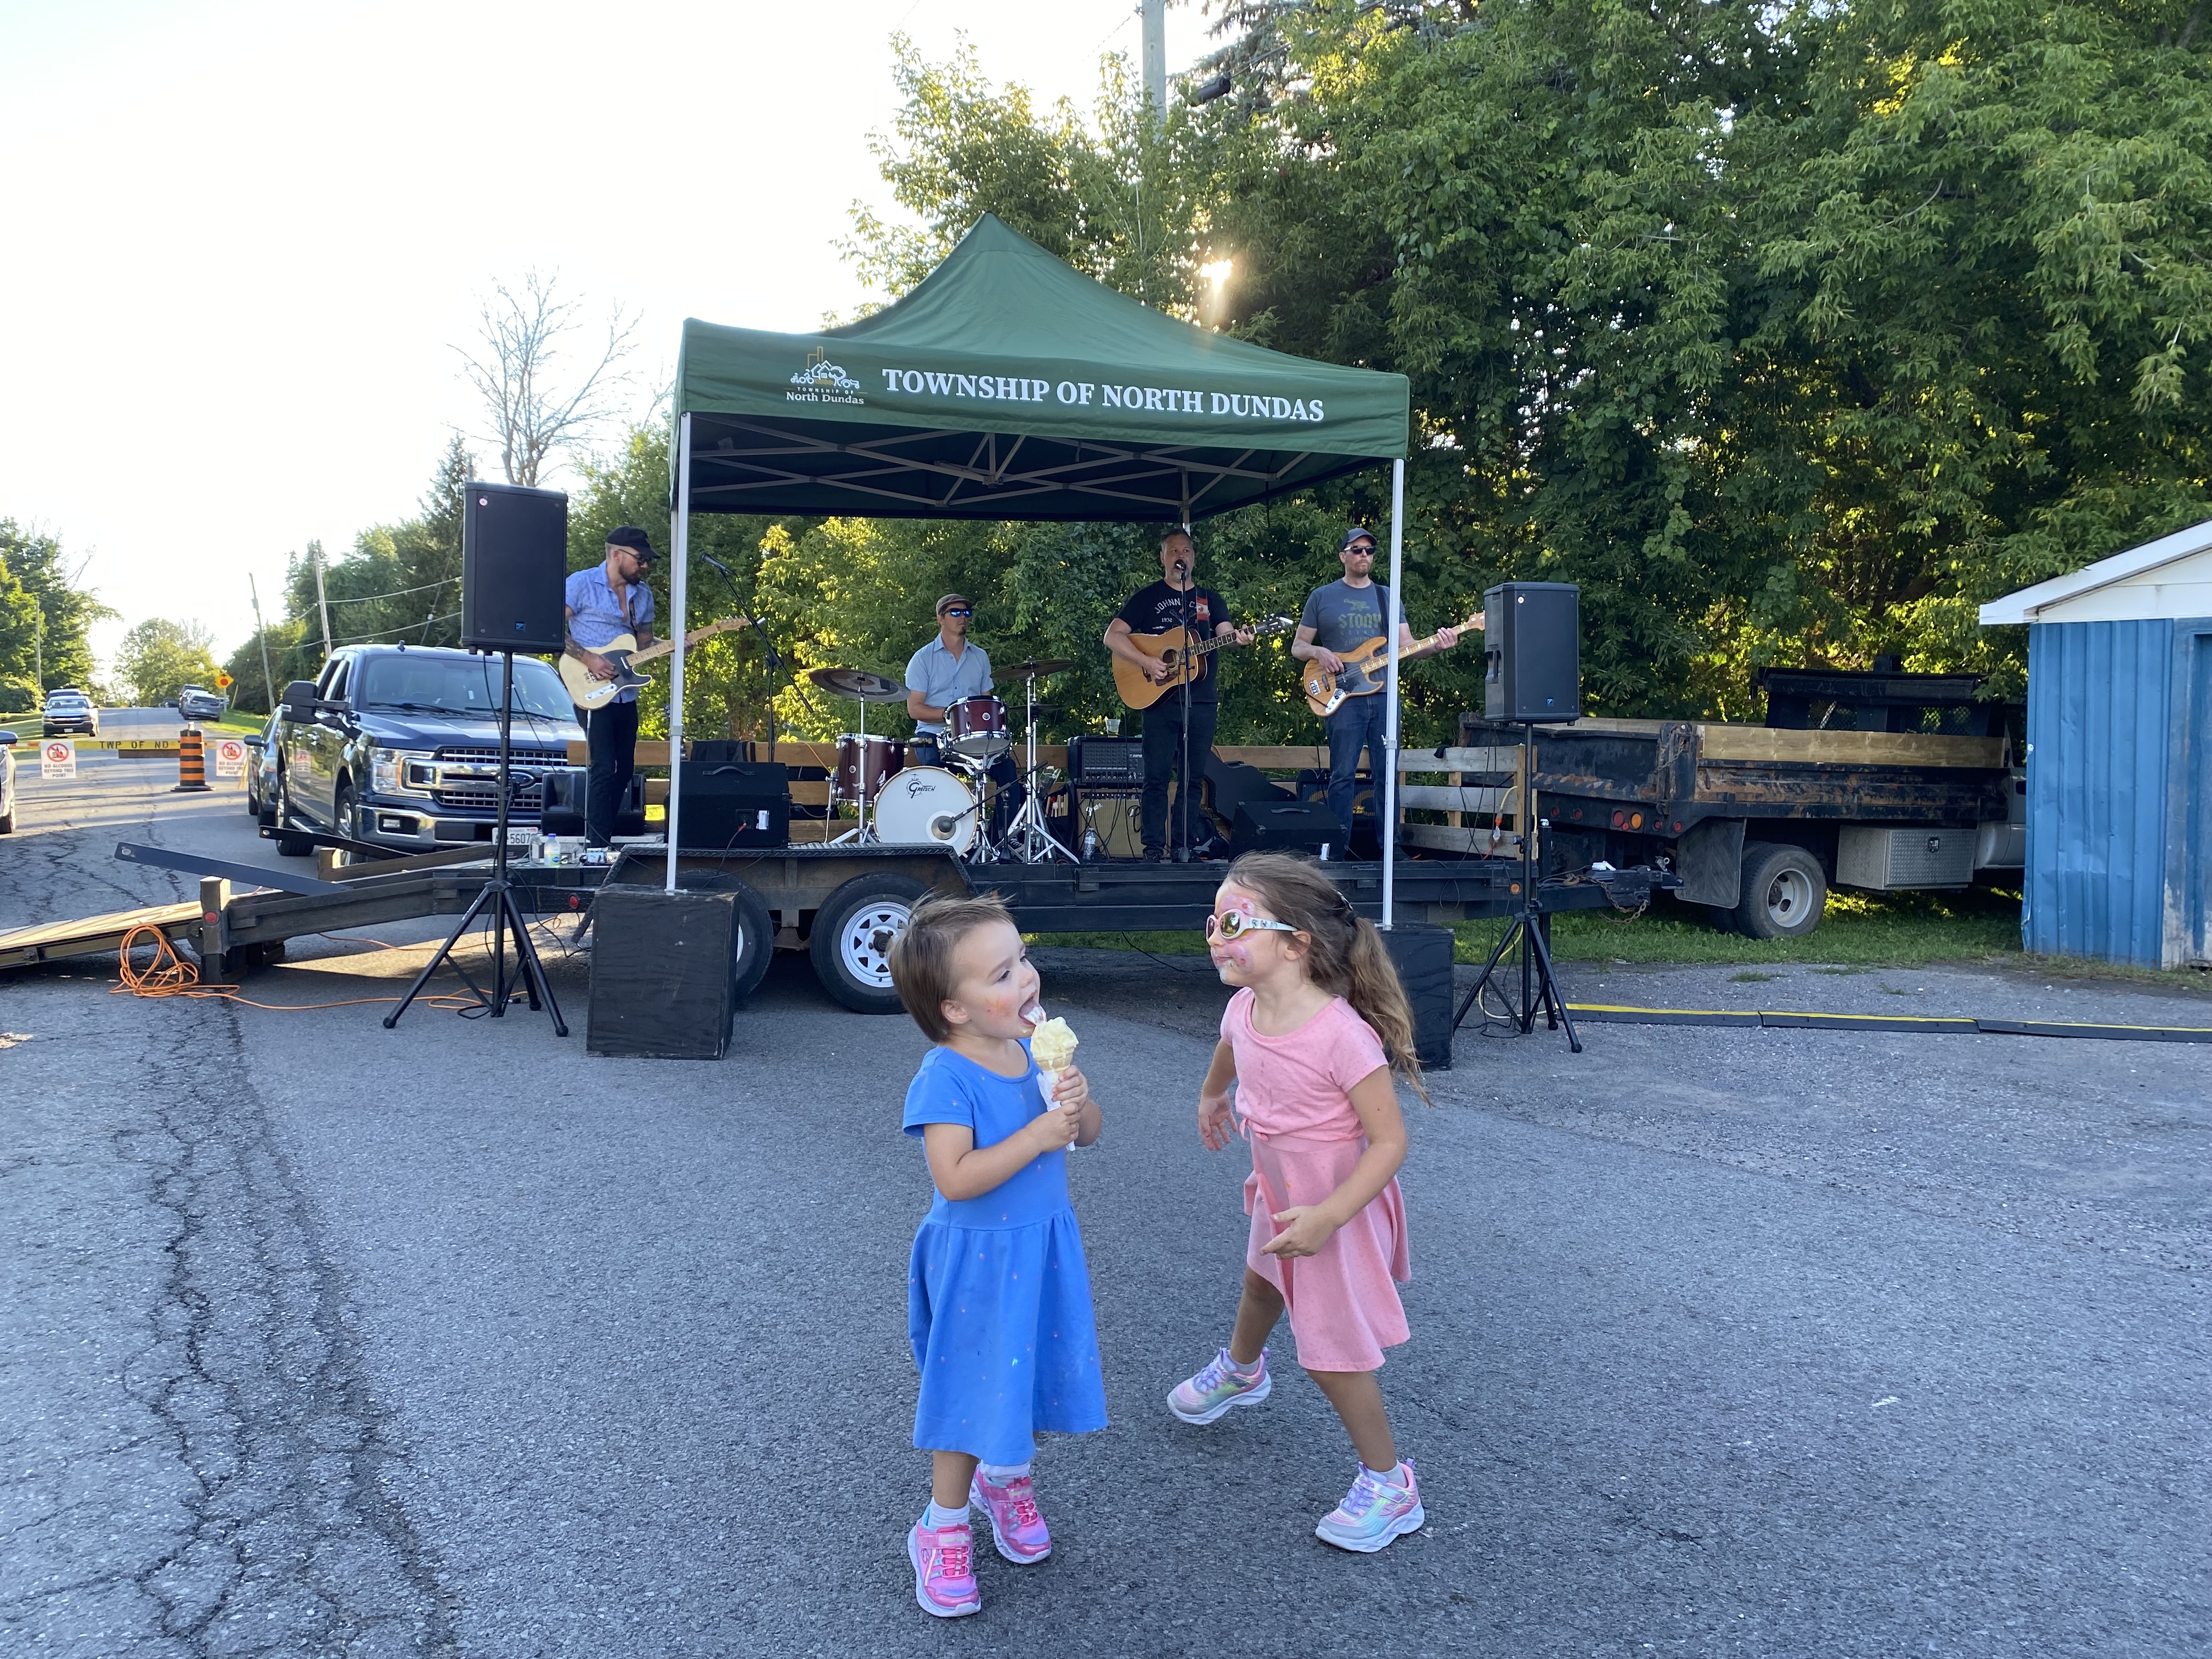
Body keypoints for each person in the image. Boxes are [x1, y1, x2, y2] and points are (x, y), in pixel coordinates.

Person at [1168, 851, 1430, 1553]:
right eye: (1212, 922)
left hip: (1335, 1209)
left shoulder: (1342, 1035)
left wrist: (1329, 1217)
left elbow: (1389, 1143)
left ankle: (1390, 1482)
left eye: (1233, 922)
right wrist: (1212, 1094)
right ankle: (1244, 1370)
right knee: (1261, 1283)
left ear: (1295, 942)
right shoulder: (1244, 1006)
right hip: (1282, 1193)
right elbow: (1230, 1048)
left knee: (1330, 1350)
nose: (1215, 936)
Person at [888, 893, 1107, 1617]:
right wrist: (1039, 1136)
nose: (1028, 980)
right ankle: (942, 1525)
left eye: (1023, 960)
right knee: (969, 1392)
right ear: (954, 1008)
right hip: (978, 1261)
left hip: (1041, 1246)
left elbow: (1089, 1134)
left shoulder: (1032, 1050)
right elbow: (955, 1177)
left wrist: (1076, 1102)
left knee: (1028, 1374)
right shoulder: (946, 1077)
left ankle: (1004, 1480)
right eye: (1003, 974)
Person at [1290, 526, 1475, 843]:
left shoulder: (1387, 596)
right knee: (1342, 775)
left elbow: (1409, 646)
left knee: (1387, 775)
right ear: (1343, 556)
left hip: (1384, 696)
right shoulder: (1322, 596)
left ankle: (1391, 849)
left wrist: (1438, 645)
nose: (1365, 555)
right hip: (1342, 694)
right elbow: (1298, 647)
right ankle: (1338, 849)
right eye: (1358, 550)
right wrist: (1320, 651)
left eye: (1369, 551)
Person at [1103, 528, 1255, 860]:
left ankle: (1183, 849)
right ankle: (1153, 850)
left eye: (1185, 551)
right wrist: (1147, 661)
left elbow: (1224, 632)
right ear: (1162, 557)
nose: (1180, 556)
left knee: (1192, 778)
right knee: (1155, 777)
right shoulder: (1147, 597)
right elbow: (1112, 637)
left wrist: (1240, 637)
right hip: (1158, 700)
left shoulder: (1209, 600)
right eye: (1173, 551)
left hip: (1200, 702)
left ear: (1193, 558)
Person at [563, 526, 657, 848]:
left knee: (625, 768)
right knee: (603, 765)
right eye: (640, 559)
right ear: (617, 554)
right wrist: (588, 658)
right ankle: (596, 846)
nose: (645, 566)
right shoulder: (580, 583)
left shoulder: (642, 596)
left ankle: (604, 836)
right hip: (588, 689)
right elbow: (548, 629)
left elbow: (644, 645)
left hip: (625, 692)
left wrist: (676, 645)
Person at [905, 592, 1021, 839]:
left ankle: (1000, 841)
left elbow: (987, 704)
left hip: (973, 739)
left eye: (966, 613)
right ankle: (935, 839)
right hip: (934, 736)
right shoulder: (922, 659)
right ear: (940, 619)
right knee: (933, 775)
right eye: (955, 613)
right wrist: (952, 717)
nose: (962, 618)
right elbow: (915, 709)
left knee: (1008, 771)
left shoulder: (980, 657)